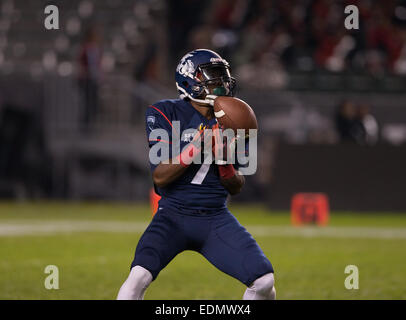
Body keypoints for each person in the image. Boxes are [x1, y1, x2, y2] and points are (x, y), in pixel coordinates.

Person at [117, 49, 275, 300]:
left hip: (215, 217)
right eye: (212, 74)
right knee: (138, 278)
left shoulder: (238, 118)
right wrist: (197, 146)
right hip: (173, 215)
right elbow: (159, 176)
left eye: (223, 75)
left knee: (265, 282)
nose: (221, 82)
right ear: (190, 80)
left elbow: (237, 186)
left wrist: (224, 162)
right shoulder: (164, 112)